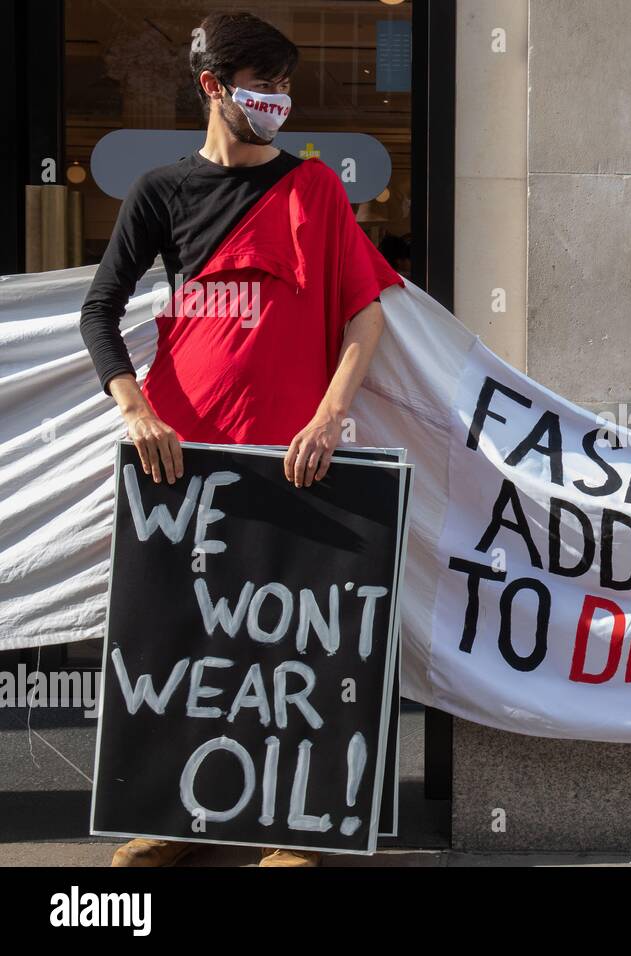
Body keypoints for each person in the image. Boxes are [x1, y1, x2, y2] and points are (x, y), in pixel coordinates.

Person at [79, 12, 403, 867]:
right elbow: (99, 310)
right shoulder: (162, 191)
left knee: (293, 644)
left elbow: (364, 315)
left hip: (298, 453)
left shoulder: (315, 190)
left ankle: (294, 828)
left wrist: (330, 413)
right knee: (187, 636)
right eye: (264, 84)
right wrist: (137, 410)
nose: (280, 100)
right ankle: (171, 815)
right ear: (213, 88)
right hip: (185, 453)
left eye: (287, 85)